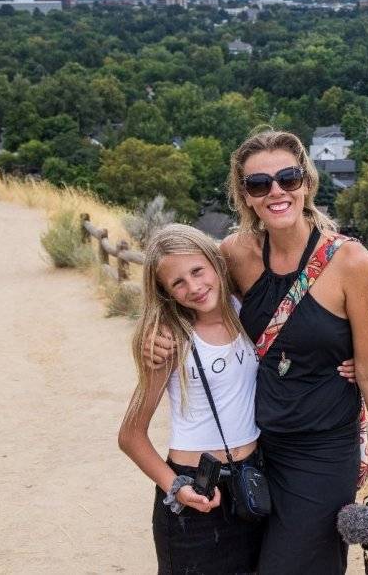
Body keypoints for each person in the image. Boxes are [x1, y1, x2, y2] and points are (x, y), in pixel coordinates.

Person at [146, 129, 368, 574]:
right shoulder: (235, 254)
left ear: (306, 183)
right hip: (259, 448)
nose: (276, 191)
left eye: (287, 178)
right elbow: (186, 291)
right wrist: (152, 333)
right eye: (259, 184)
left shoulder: (350, 263)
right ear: (245, 196)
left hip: (322, 450)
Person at [118, 223, 264, 574]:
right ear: (165, 293)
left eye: (198, 271)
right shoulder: (171, 340)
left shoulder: (248, 313)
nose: (194, 287)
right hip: (196, 487)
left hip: (253, 479)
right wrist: (176, 487)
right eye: (177, 283)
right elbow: (130, 435)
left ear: (216, 263)